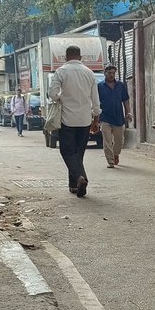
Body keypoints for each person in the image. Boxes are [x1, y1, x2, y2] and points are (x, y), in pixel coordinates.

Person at [48, 45, 101, 198]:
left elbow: (52, 94)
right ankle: (74, 185)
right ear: (80, 57)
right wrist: (96, 118)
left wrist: (61, 97)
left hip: (67, 119)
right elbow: (95, 99)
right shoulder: (89, 73)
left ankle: (80, 178)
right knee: (78, 153)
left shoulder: (61, 71)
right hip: (85, 120)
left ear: (66, 57)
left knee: (67, 151)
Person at [98, 63, 132, 168]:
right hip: (105, 117)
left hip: (118, 118)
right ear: (105, 73)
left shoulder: (120, 86)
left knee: (120, 141)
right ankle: (110, 161)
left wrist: (128, 112)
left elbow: (125, 100)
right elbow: (96, 102)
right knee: (107, 141)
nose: (111, 75)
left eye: (113, 73)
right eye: (109, 73)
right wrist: (95, 117)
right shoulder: (100, 86)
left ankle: (115, 154)